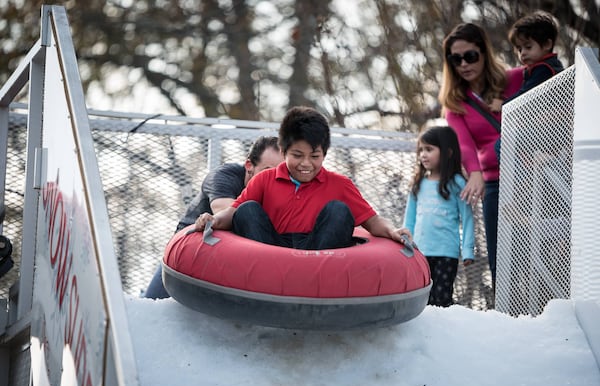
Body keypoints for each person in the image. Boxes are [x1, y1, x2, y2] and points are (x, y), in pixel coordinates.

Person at [193, 106, 412, 251]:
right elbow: (231, 213)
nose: (306, 164)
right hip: (271, 248)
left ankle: (320, 278)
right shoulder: (265, 179)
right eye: (297, 155)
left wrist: (393, 231)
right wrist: (213, 220)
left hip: (317, 249)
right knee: (247, 208)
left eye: (314, 156)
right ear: (284, 151)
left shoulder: (340, 185)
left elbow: (372, 222)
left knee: (339, 209)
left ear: (324, 154)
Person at [143, 135, 283, 299]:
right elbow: (225, 210)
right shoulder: (225, 176)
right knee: (153, 305)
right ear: (249, 165)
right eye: (267, 172)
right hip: (189, 254)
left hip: (239, 263)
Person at [438, 22, 523, 291]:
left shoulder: (517, 79)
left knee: (541, 248)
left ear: (484, 52)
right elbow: (463, 144)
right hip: (495, 182)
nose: (464, 64)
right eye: (456, 59)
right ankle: (508, 318)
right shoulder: (455, 104)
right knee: (502, 258)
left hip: (532, 175)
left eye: (470, 55)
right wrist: (474, 173)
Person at [403, 126, 475, 307]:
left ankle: (441, 335)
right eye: (420, 150)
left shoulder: (457, 183)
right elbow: (409, 220)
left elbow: (467, 219)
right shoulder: (418, 184)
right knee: (420, 301)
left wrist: (467, 250)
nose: (423, 155)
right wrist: (405, 245)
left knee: (441, 301)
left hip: (446, 253)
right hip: (419, 252)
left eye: (429, 149)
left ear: (448, 152)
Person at [492, 10, 564, 159]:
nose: (522, 53)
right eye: (519, 49)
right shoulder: (552, 66)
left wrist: (504, 105)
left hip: (550, 128)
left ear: (547, 44)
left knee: (503, 144)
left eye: (528, 47)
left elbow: (526, 95)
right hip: (552, 128)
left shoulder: (544, 69)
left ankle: (517, 181)